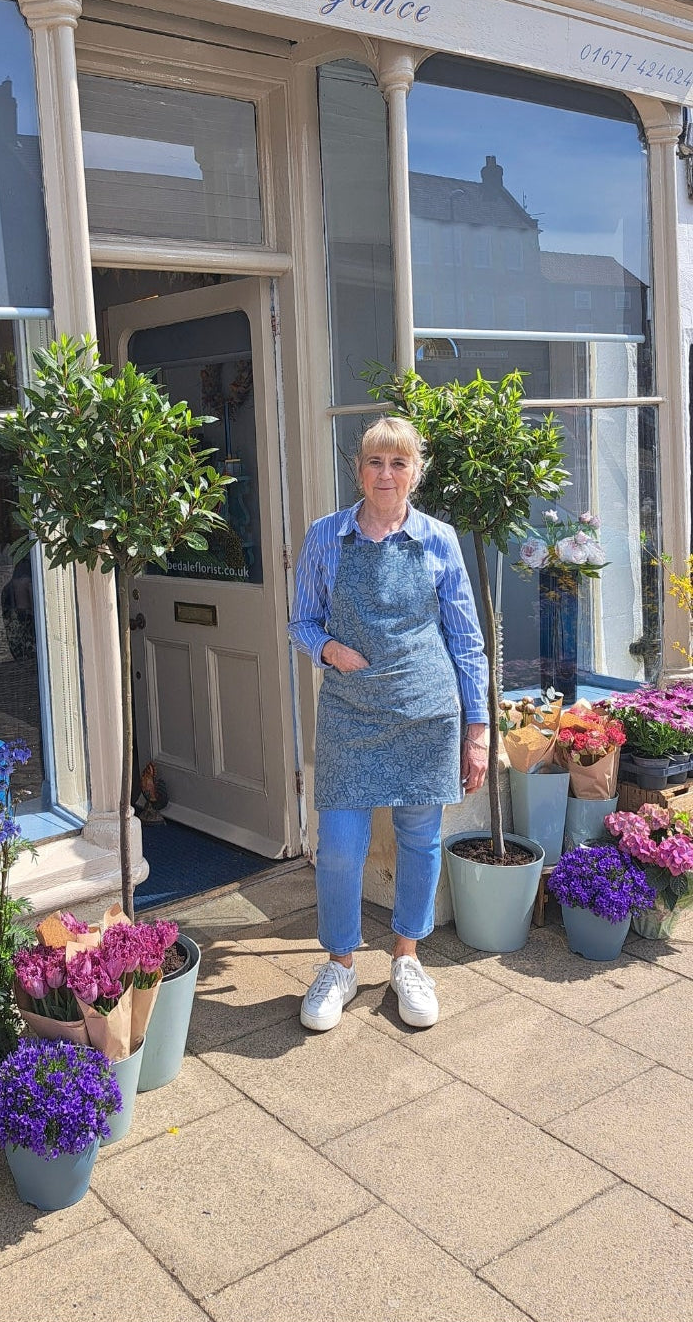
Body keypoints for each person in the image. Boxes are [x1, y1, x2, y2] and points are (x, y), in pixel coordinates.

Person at [288, 416, 488, 1031]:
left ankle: (407, 958)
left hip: (427, 712)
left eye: (399, 463)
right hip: (351, 711)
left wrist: (476, 730)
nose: (386, 474)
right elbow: (301, 621)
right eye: (376, 462)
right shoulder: (327, 537)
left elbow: (466, 639)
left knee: (420, 841)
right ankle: (341, 964)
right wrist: (329, 650)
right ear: (359, 469)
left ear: (415, 473)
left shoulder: (440, 541)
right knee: (341, 850)